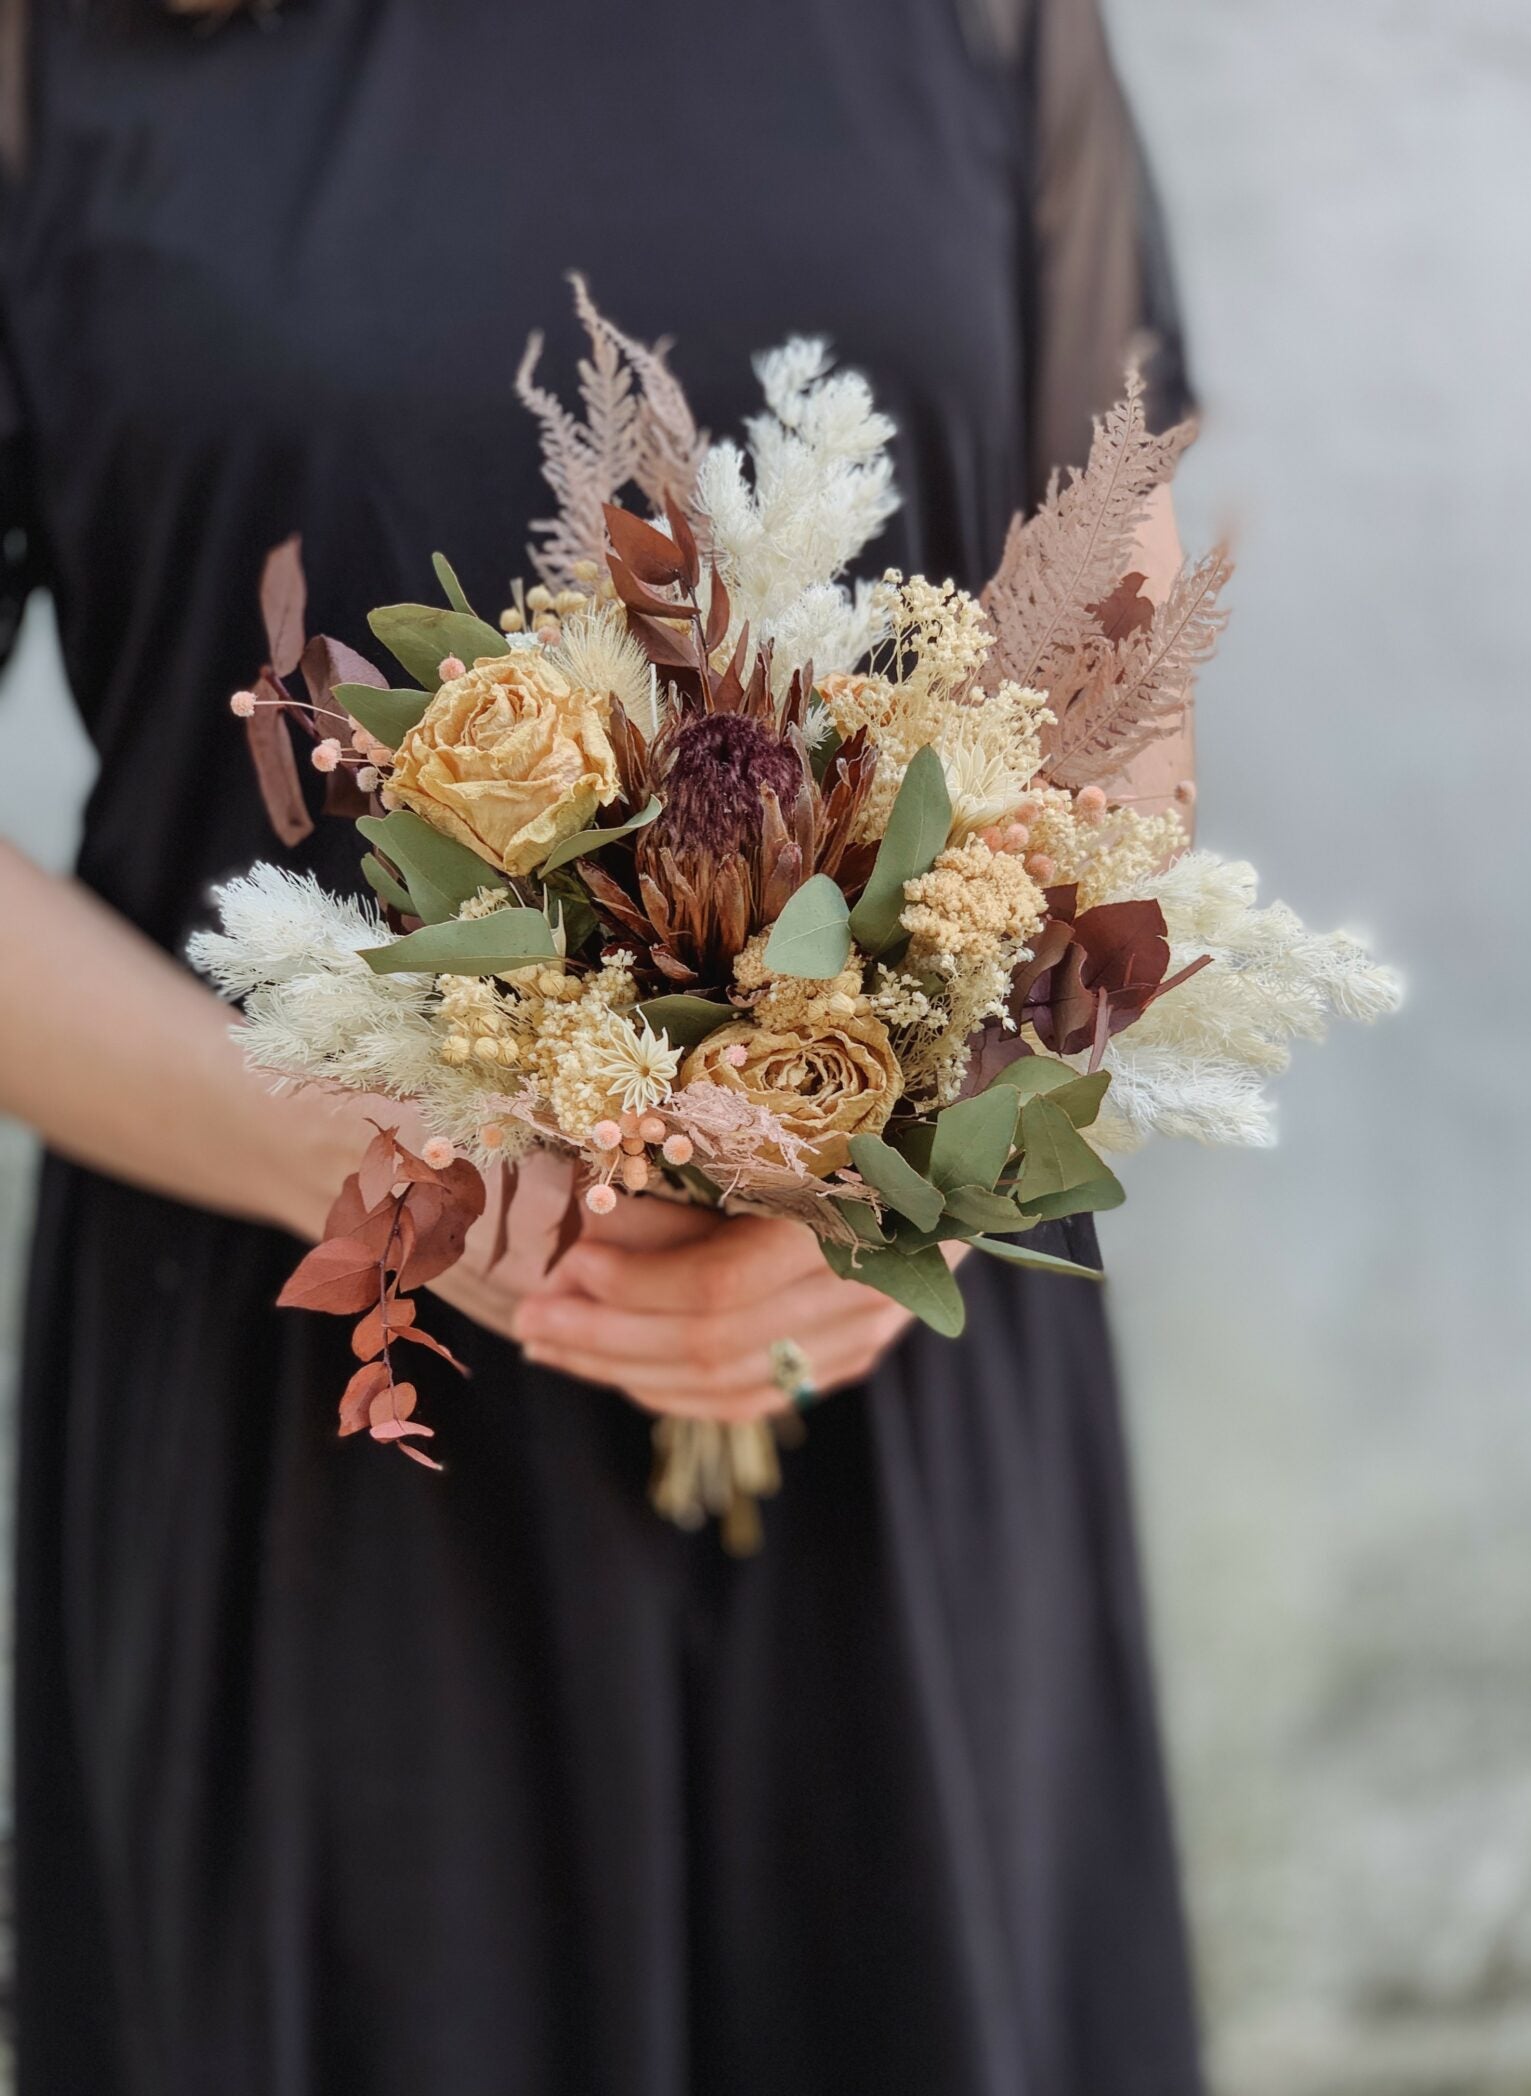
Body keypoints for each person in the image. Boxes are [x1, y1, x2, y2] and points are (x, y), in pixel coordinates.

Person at [0, 0, 1204, 2088]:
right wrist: (349, 1150)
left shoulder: (993, 28)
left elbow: (1115, 686)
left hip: (881, 1398)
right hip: (308, 1422)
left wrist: (889, 1153)